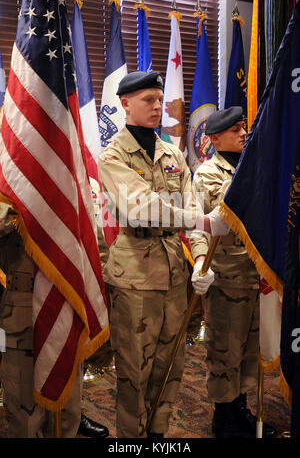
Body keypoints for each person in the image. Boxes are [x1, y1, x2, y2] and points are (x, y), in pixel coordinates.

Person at [97, 70, 230, 438]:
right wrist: (202, 221)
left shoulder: (172, 153)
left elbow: (192, 207)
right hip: (135, 276)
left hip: (174, 273)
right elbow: (142, 207)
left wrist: (201, 258)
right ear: (125, 104)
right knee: (134, 373)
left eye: (160, 99)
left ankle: (158, 437)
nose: (158, 107)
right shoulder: (112, 155)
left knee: (170, 368)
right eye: (148, 101)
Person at [0, 110, 108, 439]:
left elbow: (92, 232)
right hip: (18, 302)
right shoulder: (9, 165)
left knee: (68, 399)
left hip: (67, 295)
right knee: (23, 406)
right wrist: (25, 205)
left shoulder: (70, 165)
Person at [190, 106, 278, 438]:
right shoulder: (208, 174)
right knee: (225, 350)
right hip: (226, 277)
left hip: (256, 275)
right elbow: (203, 221)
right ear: (214, 139)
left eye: (244, 127)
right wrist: (200, 262)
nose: (244, 133)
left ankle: (241, 408)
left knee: (250, 349)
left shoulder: (250, 169)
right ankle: (223, 417)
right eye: (235, 129)